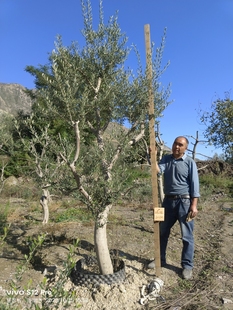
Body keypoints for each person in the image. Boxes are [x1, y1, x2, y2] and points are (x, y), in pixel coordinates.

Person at [148, 136, 200, 280]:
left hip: (185, 202)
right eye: (175, 143)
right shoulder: (166, 159)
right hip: (168, 202)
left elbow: (195, 186)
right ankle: (160, 260)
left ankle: (187, 266)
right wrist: (152, 156)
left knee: (187, 236)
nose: (176, 146)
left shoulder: (190, 163)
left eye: (180, 145)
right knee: (162, 232)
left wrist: (194, 205)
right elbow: (157, 170)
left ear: (185, 148)